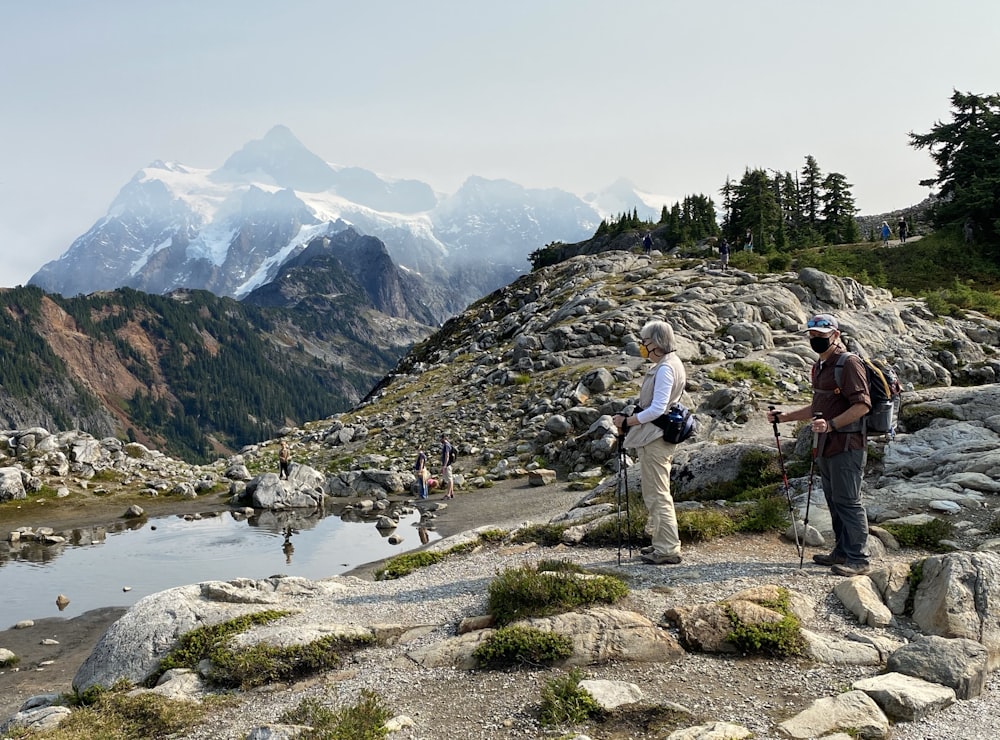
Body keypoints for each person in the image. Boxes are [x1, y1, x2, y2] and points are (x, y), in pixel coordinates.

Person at [766, 313, 872, 576]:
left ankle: (859, 559)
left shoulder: (848, 364)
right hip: (825, 444)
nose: (815, 340)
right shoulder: (821, 366)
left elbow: (862, 405)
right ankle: (841, 551)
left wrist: (832, 425)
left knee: (848, 500)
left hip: (848, 444)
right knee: (834, 500)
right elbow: (819, 405)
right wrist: (786, 416)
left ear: (835, 335)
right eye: (812, 336)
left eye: (821, 337)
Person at [612, 319, 687, 565]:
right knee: (655, 492)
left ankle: (666, 549)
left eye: (645, 341)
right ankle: (660, 542)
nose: (642, 346)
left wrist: (628, 421)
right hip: (656, 437)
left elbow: (657, 409)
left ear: (656, 342)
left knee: (657, 493)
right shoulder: (670, 364)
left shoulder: (665, 368)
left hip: (654, 438)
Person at [439, 434, 454, 499]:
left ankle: (448, 494)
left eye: (441, 438)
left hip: (447, 465)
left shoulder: (446, 446)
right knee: (450, 478)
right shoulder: (448, 445)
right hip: (448, 465)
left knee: (449, 479)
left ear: (444, 438)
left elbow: (447, 455)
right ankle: (451, 493)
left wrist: (444, 465)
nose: (440, 440)